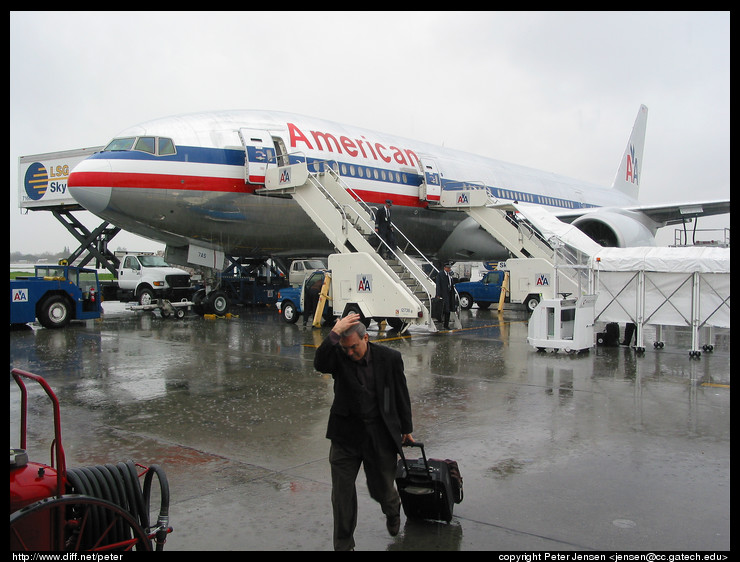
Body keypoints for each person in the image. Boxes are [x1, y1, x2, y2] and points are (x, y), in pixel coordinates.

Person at [314, 312, 414, 551]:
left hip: (378, 434)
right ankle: (344, 545)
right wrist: (335, 333)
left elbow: (401, 393)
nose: (350, 353)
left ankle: (392, 508)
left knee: (381, 488)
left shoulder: (389, 359)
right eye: (346, 349)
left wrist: (406, 428)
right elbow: (320, 363)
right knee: (342, 495)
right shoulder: (339, 356)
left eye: (354, 348)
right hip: (345, 435)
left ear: (366, 338)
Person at [435, 262, 456, 329]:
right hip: (443, 294)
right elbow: (438, 285)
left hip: (449, 293)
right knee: (444, 309)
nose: (449, 269)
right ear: (445, 268)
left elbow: (451, 283)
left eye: (450, 268)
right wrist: (438, 294)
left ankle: (446, 325)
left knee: (448, 309)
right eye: (448, 268)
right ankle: (442, 322)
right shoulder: (440, 274)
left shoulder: (449, 275)